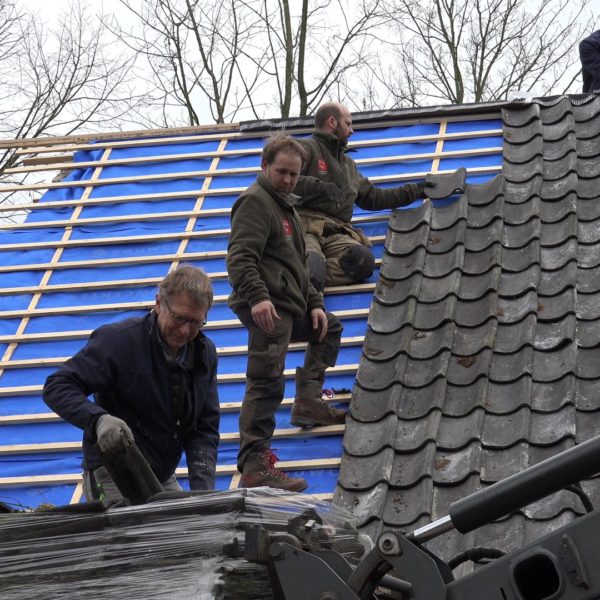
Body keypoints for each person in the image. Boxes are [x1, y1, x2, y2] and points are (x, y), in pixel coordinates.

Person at [226, 134, 345, 493]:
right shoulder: (255, 203)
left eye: (294, 174)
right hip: (269, 309)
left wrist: (316, 303)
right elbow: (240, 258)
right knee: (266, 383)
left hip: (291, 304)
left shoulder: (285, 205)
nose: (289, 180)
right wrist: (258, 298)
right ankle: (255, 465)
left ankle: (308, 400)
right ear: (265, 166)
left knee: (331, 329)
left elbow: (295, 266)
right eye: (282, 172)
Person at [43, 265, 220, 503]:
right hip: (113, 470)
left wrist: (204, 495)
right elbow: (57, 385)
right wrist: (98, 420)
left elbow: (204, 428)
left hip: (161, 475)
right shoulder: (119, 342)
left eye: (196, 322)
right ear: (159, 304)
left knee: (193, 528)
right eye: (179, 318)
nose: (185, 330)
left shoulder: (203, 354)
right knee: (130, 536)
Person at [293, 101, 428, 291]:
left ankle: (305, 277)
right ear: (332, 122)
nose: (352, 130)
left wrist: (418, 190)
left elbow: (374, 197)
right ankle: (309, 275)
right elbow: (280, 180)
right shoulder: (305, 148)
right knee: (312, 265)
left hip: (336, 231)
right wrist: (318, 186)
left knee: (363, 262)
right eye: (348, 124)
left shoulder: (348, 165)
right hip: (305, 226)